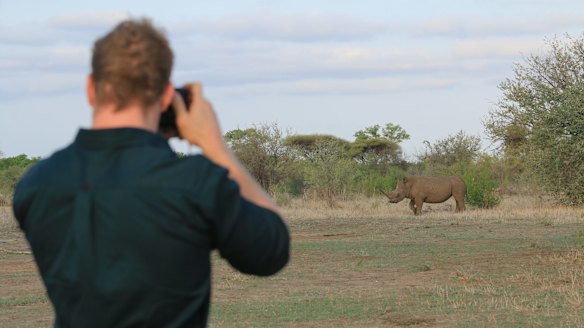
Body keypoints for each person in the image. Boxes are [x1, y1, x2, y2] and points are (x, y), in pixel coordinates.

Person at [12, 18, 289, 327]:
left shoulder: (36, 185)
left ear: (91, 88)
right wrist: (214, 144)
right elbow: (271, 251)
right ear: (167, 95)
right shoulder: (195, 182)